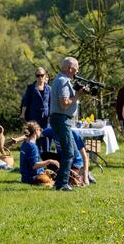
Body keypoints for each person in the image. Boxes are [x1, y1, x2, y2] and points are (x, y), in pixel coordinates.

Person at [49, 57, 86, 191]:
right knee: (69, 151)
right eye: (76, 67)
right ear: (70, 69)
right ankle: (62, 184)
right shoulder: (63, 81)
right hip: (61, 118)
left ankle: (60, 182)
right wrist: (77, 96)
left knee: (68, 150)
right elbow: (64, 104)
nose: (78, 70)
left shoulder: (61, 80)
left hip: (61, 118)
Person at [21, 67, 52, 155]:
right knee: (34, 136)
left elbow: (51, 103)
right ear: (35, 77)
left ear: (45, 76)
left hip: (45, 118)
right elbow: (25, 102)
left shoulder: (49, 89)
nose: (40, 77)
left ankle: (46, 159)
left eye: (42, 75)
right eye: (38, 75)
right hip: (34, 116)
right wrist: (23, 114)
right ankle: (35, 159)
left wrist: (50, 116)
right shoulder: (31, 88)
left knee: (46, 137)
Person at [19, 121, 57, 186]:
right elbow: (34, 166)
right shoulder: (32, 146)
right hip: (33, 178)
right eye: (40, 130)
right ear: (36, 130)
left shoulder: (24, 144)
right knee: (58, 182)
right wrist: (50, 161)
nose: (41, 132)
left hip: (24, 178)